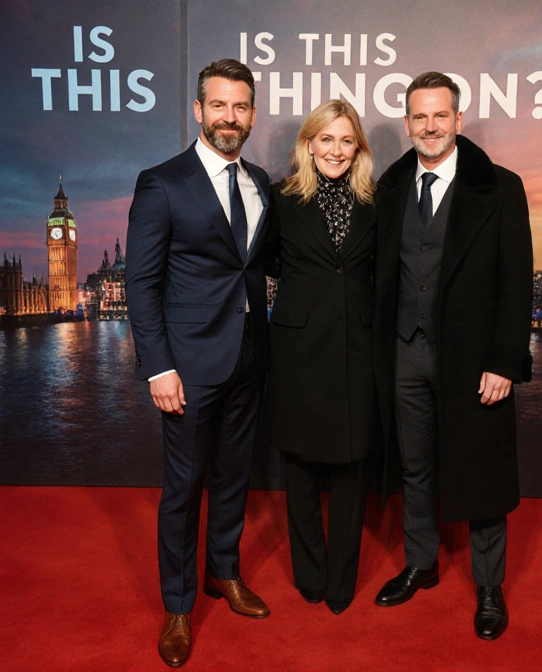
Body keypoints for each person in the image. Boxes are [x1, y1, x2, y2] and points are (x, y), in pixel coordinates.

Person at [370, 71, 533, 641]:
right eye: (419, 116)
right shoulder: (388, 190)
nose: (430, 126)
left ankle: (489, 587)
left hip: (473, 362)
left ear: (458, 121)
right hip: (404, 356)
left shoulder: (502, 188)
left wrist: (505, 360)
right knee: (415, 466)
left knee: (482, 473)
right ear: (408, 123)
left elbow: (517, 285)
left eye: (441, 116)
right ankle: (421, 563)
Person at [126, 58, 271, 668]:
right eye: (219, 105)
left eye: (240, 107)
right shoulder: (162, 182)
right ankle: (179, 605)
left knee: (235, 476)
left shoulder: (261, 180)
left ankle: (224, 573)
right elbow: (140, 281)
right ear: (198, 110)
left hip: (248, 358)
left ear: (252, 114)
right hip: (185, 367)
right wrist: (158, 367)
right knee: (184, 489)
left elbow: (259, 266)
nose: (229, 118)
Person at [263, 100, 377, 616]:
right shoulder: (281, 199)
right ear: (309, 143)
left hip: (358, 347)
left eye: (346, 140)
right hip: (298, 351)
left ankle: (340, 580)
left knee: (354, 466)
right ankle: (309, 573)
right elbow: (264, 261)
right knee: (301, 466)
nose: (335, 150)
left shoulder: (377, 202)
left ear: (358, 149)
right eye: (325, 139)